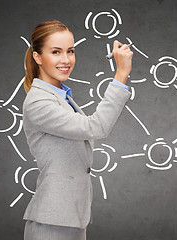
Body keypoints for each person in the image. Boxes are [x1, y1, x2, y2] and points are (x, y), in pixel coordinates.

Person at [22, 20, 133, 240]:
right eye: (56, 52)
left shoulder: (62, 97)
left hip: (71, 218)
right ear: (37, 57)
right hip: (52, 223)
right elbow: (96, 126)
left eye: (70, 51)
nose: (66, 60)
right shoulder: (38, 102)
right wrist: (121, 74)